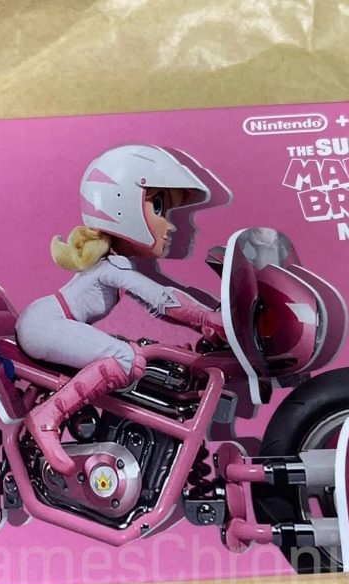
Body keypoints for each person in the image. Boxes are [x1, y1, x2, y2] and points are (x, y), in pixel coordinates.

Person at [16, 144, 225, 475]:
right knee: (126, 358)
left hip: (46, 320)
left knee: (138, 354)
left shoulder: (112, 264)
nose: (170, 226)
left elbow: (159, 306)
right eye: (159, 207)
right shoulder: (112, 266)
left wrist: (204, 323)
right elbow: (159, 297)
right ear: (121, 206)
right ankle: (47, 417)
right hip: (44, 324)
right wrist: (206, 317)